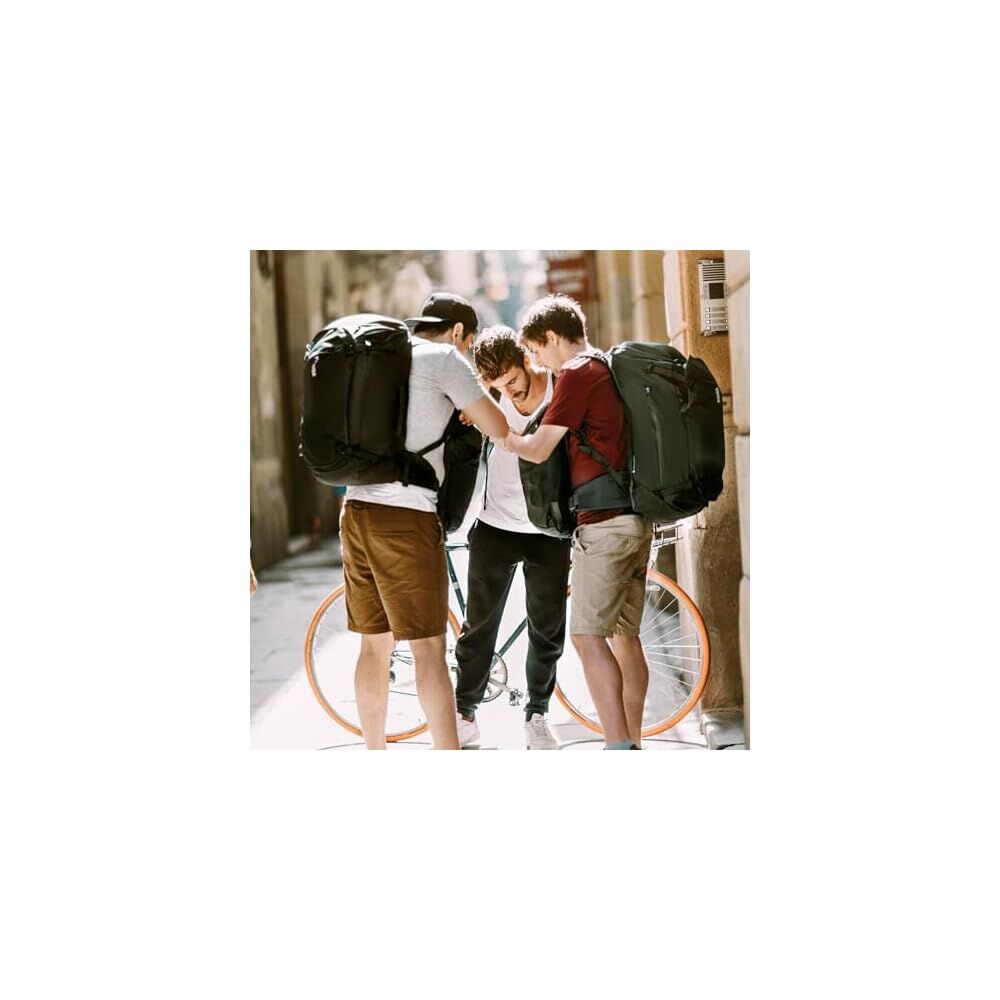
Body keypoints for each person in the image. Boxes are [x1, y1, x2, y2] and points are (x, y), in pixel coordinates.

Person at [342, 293, 509, 750]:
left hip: (355, 510)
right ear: (457, 332)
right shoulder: (445, 360)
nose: (468, 353)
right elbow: (497, 427)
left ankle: (375, 752)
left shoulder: (377, 358)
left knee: (373, 646)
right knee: (430, 648)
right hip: (407, 515)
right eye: (469, 344)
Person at [499, 295, 651, 749]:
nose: (538, 362)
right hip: (633, 520)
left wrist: (503, 437)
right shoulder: (606, 366)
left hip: (603, 527)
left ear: (551, 337)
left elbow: (539, 448)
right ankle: (632, 741)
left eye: (537, 351)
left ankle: (618, 745)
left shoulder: (576, 373)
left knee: (586, 638)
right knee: (625, 637)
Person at [452, 326, 570, 750]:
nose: (509, 392)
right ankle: (464, 713)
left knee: (547, 629)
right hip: (495, 527)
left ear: (526, 357)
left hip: (549, 530)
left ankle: (537, 715)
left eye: (513, 381)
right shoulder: (489, 397)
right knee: (479, 627)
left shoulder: (559, 388)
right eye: (498, 386)